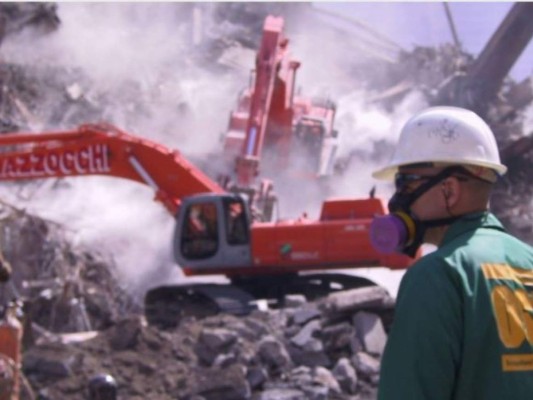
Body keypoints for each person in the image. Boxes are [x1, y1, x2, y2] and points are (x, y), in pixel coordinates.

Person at [369, 106, 533, 399]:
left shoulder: (437, 274)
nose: (397, 199)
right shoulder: (529, 261)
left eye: (405, 183)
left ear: (449, 190)